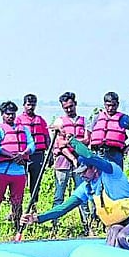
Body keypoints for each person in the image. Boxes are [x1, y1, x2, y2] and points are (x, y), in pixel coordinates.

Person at [22, 139, 129, 251]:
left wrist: (71, 140)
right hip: (121, 223)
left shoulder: (112, 172)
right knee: (113, 236)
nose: (81, 175)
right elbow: (63, 208)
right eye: (79, 172)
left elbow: (91, 157)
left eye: (84, 171)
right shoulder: (86, 187)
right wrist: (37, 218)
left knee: (123, 237)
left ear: (94, 168)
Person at [0, 101, 34, 237]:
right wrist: (11, 155)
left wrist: (23, 153)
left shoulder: (24, 129)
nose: (10, 116)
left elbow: (32, 144)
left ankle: (17, 227)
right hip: (2, 170)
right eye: (7, 114)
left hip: (19, 171)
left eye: (13, 114)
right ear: (2, 115)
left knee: (17, 201)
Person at [50, 91, 91, 233]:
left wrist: (71, 142)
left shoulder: (84, 121)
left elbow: (87, 140)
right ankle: (55, 226)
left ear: (75, 104)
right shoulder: (59, 122)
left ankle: (88, 226)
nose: (69, 109)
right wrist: (71, 150)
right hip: (62, 163)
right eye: (65, 107)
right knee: (58, 195)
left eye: (71, 106)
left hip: (80, 162)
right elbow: (60, 144)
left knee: (83, 194)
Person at [15, 94, 50, 201]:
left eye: (33, 105)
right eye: (28, 104)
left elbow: (47, 137)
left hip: (38, 154)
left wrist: (50, 154)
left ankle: (33, 206)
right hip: (23, 155)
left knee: (35, 182)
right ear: (24, 105)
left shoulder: (40, 120)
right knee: (19, 181)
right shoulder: (18, 120)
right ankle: (16, 207)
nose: (30, 107)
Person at [89, 92, 129, 168]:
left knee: (115, 177)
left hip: (115, 154)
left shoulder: (124, 119)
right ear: (104, 104)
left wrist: (128, 147)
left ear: (117, 104)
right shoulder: (97, 117)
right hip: (98, 153)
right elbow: (89, 133)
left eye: (113, 105)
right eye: (108, 105)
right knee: (99, 178)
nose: (110, 108)